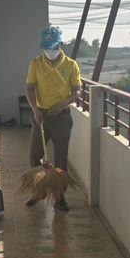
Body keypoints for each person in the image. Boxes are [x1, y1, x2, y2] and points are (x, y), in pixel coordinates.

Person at [25, 26, 82, 211]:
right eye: (46, 48)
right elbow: (29, 88)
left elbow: (77, 92)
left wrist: (61, 105)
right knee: (34, 155)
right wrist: (35, 110)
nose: (49, 51)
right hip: (40, 115)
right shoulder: (36, 63)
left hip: (61, 117)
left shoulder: (71, 65)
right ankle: (39, 191)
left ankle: (59, 197)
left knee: (61, 158)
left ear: (61, 45)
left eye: (52, 47)